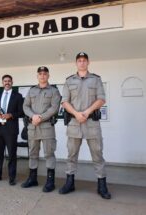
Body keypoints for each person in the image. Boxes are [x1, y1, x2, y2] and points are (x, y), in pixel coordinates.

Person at [59, 52, 111, 199]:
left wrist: (87, 112)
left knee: (97, 155)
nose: (82, 63)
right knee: (71, 155)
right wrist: (76, 114)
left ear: (88, 62)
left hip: (91, 124)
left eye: (84, 60)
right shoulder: (69, 81)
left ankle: (102, 186)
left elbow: (101, 99)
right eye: (79, 60)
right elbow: (64, 101)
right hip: (74, 123)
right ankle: (70, 183)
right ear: (76, 63)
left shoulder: (96, 79)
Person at [21, 66, 61, 192]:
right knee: (33, 153)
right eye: (40, 74)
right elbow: (25, 106)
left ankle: (50, 181)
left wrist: (40, 117)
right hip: (32, 126)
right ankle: (32, 178)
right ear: (37, 76)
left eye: (45, 74)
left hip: (47, 126)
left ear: (48, 76)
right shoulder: (31, 90)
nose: (42, 76)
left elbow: (54, 108)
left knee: (49, 153)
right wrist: (33, 116)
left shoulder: (54, 91)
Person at [0, 74, 24, 186]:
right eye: (5, 81)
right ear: (2, 83)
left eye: (9, 81)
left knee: (12, 154)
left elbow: (21, 112)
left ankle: (12, 177)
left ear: (12, 82)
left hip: (11, 129)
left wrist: (11, 115)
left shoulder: (18, 96)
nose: (7, 83)